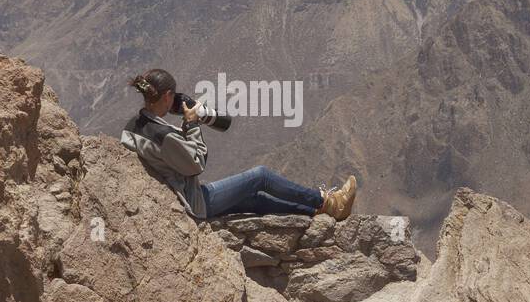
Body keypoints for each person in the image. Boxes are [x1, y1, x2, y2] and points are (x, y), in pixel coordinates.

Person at [120, 68, 357, 221]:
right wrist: (192, 124)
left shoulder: (133, 126)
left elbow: (169, 160)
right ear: (168, 96)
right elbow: (196, 164)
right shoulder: (162, 135)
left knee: (254, 200)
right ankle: (328, 201)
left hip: (178, 192)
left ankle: (316, 212)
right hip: (193, 202)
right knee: (260, 176)